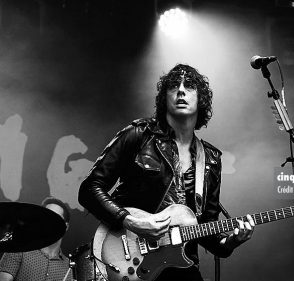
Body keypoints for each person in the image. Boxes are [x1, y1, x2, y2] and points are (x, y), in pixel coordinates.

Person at [78, 64, 255, 281]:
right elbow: (89, 189)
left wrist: (232, 241)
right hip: (132, 261)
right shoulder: (138, 135)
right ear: (165, 98)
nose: (181, 90)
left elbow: (207, 231)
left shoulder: (210, 160)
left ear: (201, 100)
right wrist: (131, 222)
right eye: (174, 86)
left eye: (189, 86)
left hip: (180, 265)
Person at [0, 197, 72, 281]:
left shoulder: (70, 268)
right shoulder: (19, 249)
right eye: (47, 217)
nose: (50, 222)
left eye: (57, 218)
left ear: (66, 227)